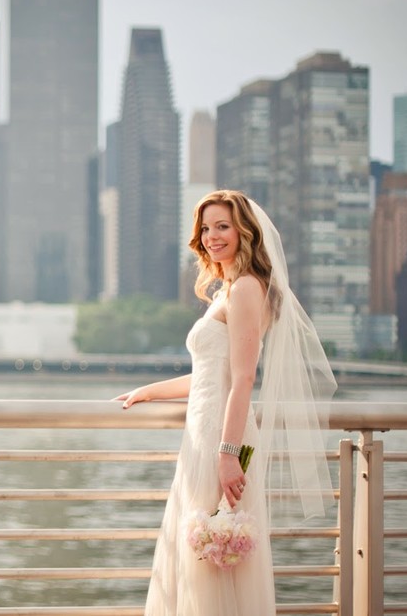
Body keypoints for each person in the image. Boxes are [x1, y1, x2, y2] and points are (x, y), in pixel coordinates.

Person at [116, 189, 335, 615]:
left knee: (213, 566)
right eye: (205, 227)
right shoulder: (230, 289)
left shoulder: (247, 289)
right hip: (203, 436)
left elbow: (243, 377)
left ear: (244, 232)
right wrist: (148, 391)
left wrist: (229, 454)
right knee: (199, 562)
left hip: (222, 438)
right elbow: (209, 374)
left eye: (223, 226)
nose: (212, 236)